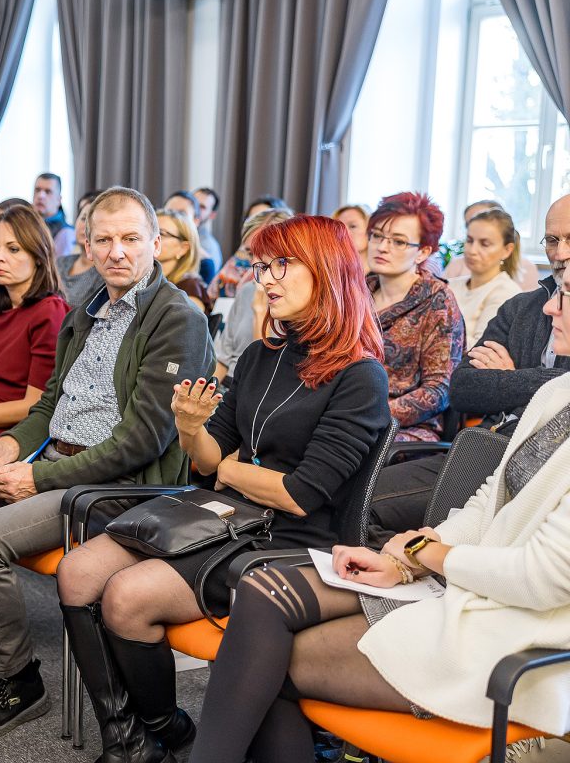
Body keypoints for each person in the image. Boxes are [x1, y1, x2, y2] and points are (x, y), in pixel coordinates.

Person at [184, 270, 570, 762]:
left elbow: (542, 579)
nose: (548, 308)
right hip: (471, 597)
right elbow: (489, 503)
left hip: (521, 640)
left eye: (565, 294)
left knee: (261, 661)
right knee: (263, 603)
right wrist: (408, 561)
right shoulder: (556, 393)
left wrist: (430, 554)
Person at [56, 214, 390, 763]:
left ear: (328, 271)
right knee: (78, 570)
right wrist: (190, 426)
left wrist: (230, 471)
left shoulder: (360, 375)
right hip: (227, 514)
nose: (266, 279)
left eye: (282, 265)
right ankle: (145, 735)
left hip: (288, 536)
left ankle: (166, 727)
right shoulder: (262, 355)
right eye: (262, 267)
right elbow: (207, 455)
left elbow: (301, 493)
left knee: (126, 597)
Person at [0, 187, 215, 740]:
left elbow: (143, 440)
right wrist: (13, 446)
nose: (118, 252)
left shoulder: (176, 318)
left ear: (156, 244)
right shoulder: (86, 311)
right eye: (105, 240)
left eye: (131, 239)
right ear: (87, 247)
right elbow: (49, 405)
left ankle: (16, 680)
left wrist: (39, 475)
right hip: (63, 467)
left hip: (121, 486)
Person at [367, 193, 570, 546]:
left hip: (547, 470)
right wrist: (531, 384)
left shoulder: (439, 298)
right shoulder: (524, 307)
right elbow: (464, 388)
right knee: (358, 497)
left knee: (365, 503)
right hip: (486, 448)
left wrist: (508, 379)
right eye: (552, 240)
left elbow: (441, 391)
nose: (560, 253)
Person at [366, 192, 465, 443]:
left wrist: (367, 415)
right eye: (377, 236)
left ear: (422, 252)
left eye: (398, 241)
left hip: (403, 429)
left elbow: (438, 391)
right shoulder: (359, 291)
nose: (382, 246)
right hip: (345, 414)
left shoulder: (438, 300)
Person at [0, 204, 69, 438]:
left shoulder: (48, 312)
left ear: (38, 257)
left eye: (13, 249)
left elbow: (34, 405)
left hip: (8, 434)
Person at [210, 209, 295, 383]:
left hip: (259, 388)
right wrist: (205, 395)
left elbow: (266, 371)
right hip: (229, 385)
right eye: (250, 252)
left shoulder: (295, 299)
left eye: (265, 250)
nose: (255, 262)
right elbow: (223, 359)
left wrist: (260, 311)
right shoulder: (247, 290)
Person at [447, 208, 523, 347]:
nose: (472, 250)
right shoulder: (450, 286)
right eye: (469, 240)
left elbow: (479, 348)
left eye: (485, 244)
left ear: (507, 250)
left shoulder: (507, 293)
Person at [444, 199, 541, 289]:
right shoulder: (456, 267)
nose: (473, 250)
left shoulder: (525, 270)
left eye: (483, 217)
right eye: (469, 223)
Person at [56, 190, 106, 307]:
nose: (86, 226)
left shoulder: (104, 272)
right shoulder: (61, 262)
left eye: (94, 221)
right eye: (83, 218)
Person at [156, 208, 211, 314]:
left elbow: (190, 328)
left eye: (161, 234)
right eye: (150, 232)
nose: (153, 238)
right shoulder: (142, 280)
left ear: (183, 248)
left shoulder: (190, 287)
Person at [33, 173, 76, 256]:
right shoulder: (24, 224)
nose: (41, 196)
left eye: (48, 191)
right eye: (37, 190)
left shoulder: (67, 234)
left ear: (58, 200)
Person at [192, 186, 223, 282]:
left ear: (212, 215)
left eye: (202, 207)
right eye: (193, 202)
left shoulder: (209, 247)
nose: (195, 208)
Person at [332, 203, 371, 274]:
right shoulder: (330, 274)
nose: (344, 232)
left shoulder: (383, 278)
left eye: (352, 226)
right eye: (339, 227)